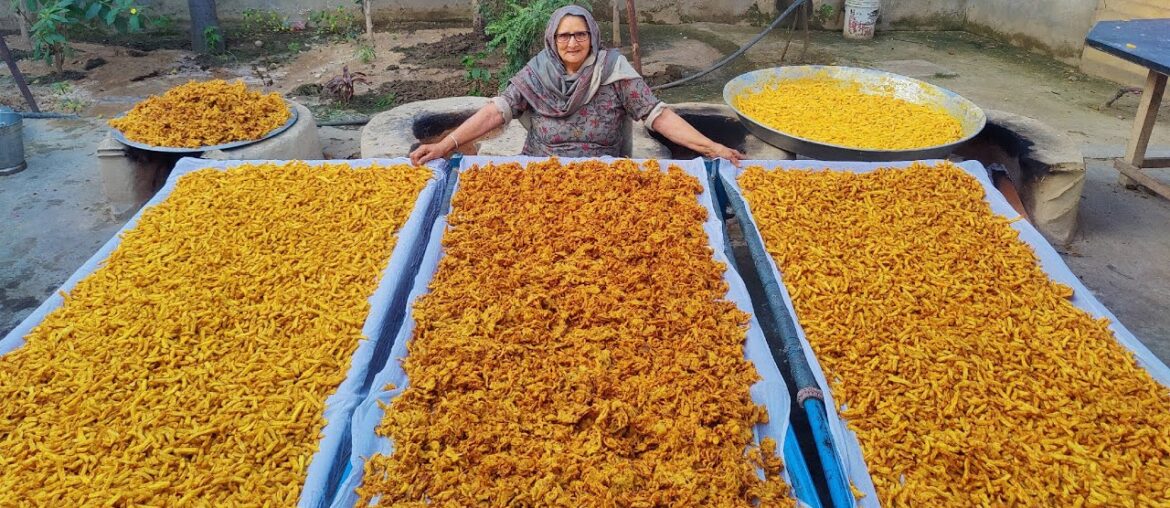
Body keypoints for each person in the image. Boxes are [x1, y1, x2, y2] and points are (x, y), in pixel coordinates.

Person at [409, 5, 744, 166]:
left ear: (592, 37)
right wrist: (446, 145)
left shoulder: (613, 70)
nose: (572, 42)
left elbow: (657, 115)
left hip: (602, 174)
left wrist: (711, 147)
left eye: (580, 34)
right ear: (552, 39)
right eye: (564, 35)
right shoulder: (537, 72)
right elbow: (498, 111)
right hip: (540, 170)